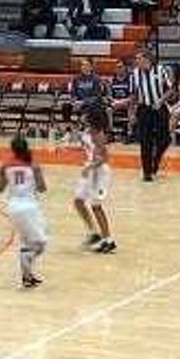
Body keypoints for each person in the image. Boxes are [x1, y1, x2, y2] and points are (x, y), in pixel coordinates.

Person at [0, 135, 48, 287]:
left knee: (26, 242)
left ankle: (27, 277)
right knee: (41, 243)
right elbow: (42, 188)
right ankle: (27, 261)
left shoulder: (5, 166)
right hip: (29, 206)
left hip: (13, 207)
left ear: (13, 149)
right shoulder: (33, 165)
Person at [73, 108, 116, 253]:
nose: (83, 116)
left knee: (96, 206)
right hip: (90, 170)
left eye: (86, 115)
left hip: (99, 172)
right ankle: (93, 233)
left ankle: (108, 240)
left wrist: (90, 166)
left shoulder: (98, 135)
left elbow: (104, 158)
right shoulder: (87, 132)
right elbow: (87, 149)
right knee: (78, 201)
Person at [130, 49, 173, 181]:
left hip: (160, 108)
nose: (136, 61)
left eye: (139, 58)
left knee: (165, 139)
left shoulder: (161, 70)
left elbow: (170, 89)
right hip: (144, 109)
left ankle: (156, 158)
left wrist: (161, 100)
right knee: (145, 141)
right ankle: (147, 172)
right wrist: (132, 113)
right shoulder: (134, 74)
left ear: (147, 59)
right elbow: (133, 95)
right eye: (136, 59)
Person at [59, 58, 105, 140]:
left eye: (86, 65)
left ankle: (86, 130)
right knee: (65, 106)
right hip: (78, 103)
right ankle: (68, 131)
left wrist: (84, 102)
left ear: (91, 67)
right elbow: (73, 93)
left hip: (91, 104)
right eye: (82, 65)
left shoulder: (96, 79)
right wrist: (74, 100)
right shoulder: (76, 79)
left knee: (94, 108)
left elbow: (97, 96)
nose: (84, 67)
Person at [108, 57, 135, 141]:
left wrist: (122, 101)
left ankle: (130, 134)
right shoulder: (112, 80)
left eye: (120, 67)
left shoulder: (130, 79)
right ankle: (110, 133)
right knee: (108, 109)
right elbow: (109, 95)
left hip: (127, 102)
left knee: (131, 107)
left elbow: (133, 96)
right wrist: (114, 101)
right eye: (117, 67)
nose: (118, 69)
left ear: (125, 68)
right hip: (115, 103)